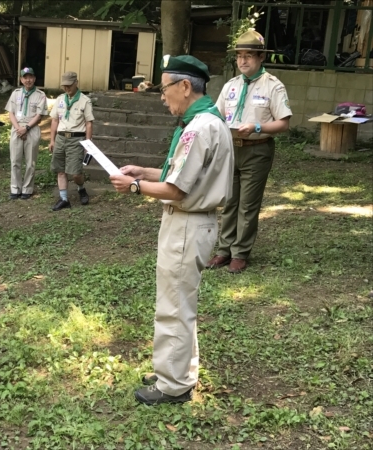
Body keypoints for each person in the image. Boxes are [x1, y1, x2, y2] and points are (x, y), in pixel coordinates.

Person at [110, 55, 234, 405]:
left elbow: (177, 191)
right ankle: (176, 369)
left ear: (184, 86)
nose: (162, 97)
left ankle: (172, 385)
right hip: (193, 222)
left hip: (187, 223)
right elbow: (180, 175)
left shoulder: (198, 128)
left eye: (164, 89)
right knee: (180, 302)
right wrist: (145, 173)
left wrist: (133, 187)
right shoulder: (207, 120)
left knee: (174, 306)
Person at [207, 30, 292, 274]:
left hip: (257, 150)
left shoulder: (273, 86)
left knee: (248, 204)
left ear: (261, 57)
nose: (243, 61)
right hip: (231, 149)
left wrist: (257, 126)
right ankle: (224, 251)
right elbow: (216, 115)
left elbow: (283, 123)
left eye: (249, 56)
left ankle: (240, 253)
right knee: (230, 201)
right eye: (239, 56)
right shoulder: (230, 85)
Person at [49, 71, 93, 211]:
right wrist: (52, 140)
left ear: (76, 83)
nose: (66, 88)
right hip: (61, 137)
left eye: (69, 85)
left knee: (75, 173)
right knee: (60, 170)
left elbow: (89, 123)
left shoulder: (84, 100)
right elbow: (55, 119)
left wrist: (88, 144)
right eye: (64, 86)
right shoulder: (60, 99)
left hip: (76, 138)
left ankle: (81, 188)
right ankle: (64, 199)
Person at [5, 67, 47, 200]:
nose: (28, 80)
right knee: (15, 161)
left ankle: (27, 189)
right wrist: (18, 128)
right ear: (21, 79)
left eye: (30, 77)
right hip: (17, 128)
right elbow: (11, 113)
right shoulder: (15, 93)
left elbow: (39, 116)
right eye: (25, 77)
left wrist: (26, 128)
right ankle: (15, 188)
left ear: (34, 79)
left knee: (30, 162)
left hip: (32, 129)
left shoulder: (40, 95)